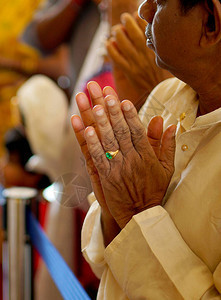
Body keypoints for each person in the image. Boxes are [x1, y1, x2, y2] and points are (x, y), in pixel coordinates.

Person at [71, 0, 221, 298]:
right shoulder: (167, 95)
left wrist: (139, 211)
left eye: (160, 1)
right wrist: (115, 199)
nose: (144, 11)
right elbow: (104, 260)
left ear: (210, 25)